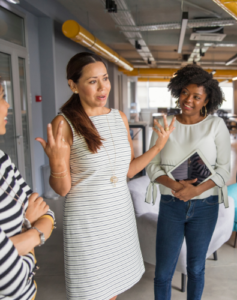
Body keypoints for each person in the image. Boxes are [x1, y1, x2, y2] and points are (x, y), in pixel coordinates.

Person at [35, 52, 175, 300]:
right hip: (88, 222)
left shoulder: (119, 117)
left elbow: (128, 171)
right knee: (91, 290)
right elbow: (63, 189)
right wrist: (56, 162)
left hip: (119, 215)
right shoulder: (64, 123)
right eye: (92, 81)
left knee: (112, 289)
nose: (103, 88)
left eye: (105, 79)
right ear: (73, 85)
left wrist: (158, 147)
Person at [146, 64, 231, 300]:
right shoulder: (164, 125)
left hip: (205, 207)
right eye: (184, 92)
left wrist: (196, 190)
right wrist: (176, 186)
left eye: (196, 96)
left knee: (196, 269)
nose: (188, 100)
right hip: (171, 204)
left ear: (206, 100)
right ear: (177, 92)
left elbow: (225, 169)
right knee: (163, 272)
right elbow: (151, 166)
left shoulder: (215, 126)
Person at [0, 77, 55, 300]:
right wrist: (29, 230)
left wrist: (19, 243)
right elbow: (12, 281)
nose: (7, 105)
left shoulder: (2, 159)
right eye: (2, 98)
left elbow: (47, 213)